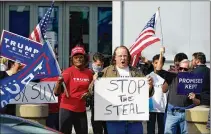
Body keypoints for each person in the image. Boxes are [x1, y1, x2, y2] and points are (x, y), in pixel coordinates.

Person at [90, 46, 154, 134]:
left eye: (125, 56)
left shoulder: (137, 72)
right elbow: (91, 91)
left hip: (134, 121)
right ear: (115, 58)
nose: (123, 58)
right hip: (115, 120)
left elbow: (147, 94)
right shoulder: (106, 72)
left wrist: (149, 86)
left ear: (128, 57)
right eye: (120, 56)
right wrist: (94, 82)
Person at [156, 49, 200, 134]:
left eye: (185, 69)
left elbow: (198, 102)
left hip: (187, 114)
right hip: (172, 113)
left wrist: (194, 99)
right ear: (178, 68)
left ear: (190, 70)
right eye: (180, 68)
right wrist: (161, 54)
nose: (182, 71)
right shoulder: (172, 76)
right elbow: (158, 70)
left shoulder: (194, 81)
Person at [54, 45, 93, 134]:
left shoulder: (89, 73)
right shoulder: (67, 72)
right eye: (76, 57)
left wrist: (89, 94)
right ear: (72, 60)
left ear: (85, 58)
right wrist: (59, 82)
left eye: (81, 57)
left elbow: (91, 89)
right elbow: (56, 93)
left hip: (81, 110)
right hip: (67, 109)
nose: (78, 59)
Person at [147, 52, 168, 134]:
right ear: (152, 63)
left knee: (162, 129)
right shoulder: (149, 76)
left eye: (160, 62)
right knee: (150, 129)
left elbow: (166, 90)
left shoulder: (167, 75)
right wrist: (150, 85)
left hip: (163, 107)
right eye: (156, 63)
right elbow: (146, 92)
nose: (158, 65)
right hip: (151, 107)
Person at [88, 52, 108, 134]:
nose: (97, 67)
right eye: (96, 64)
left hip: (106, 107)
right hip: (95, 107)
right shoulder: (88, 73)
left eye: (99, 65)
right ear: (92, 63)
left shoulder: (106, 72)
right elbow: (88, 90)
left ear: (103, 64)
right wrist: (93, 80)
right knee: (97, 130)